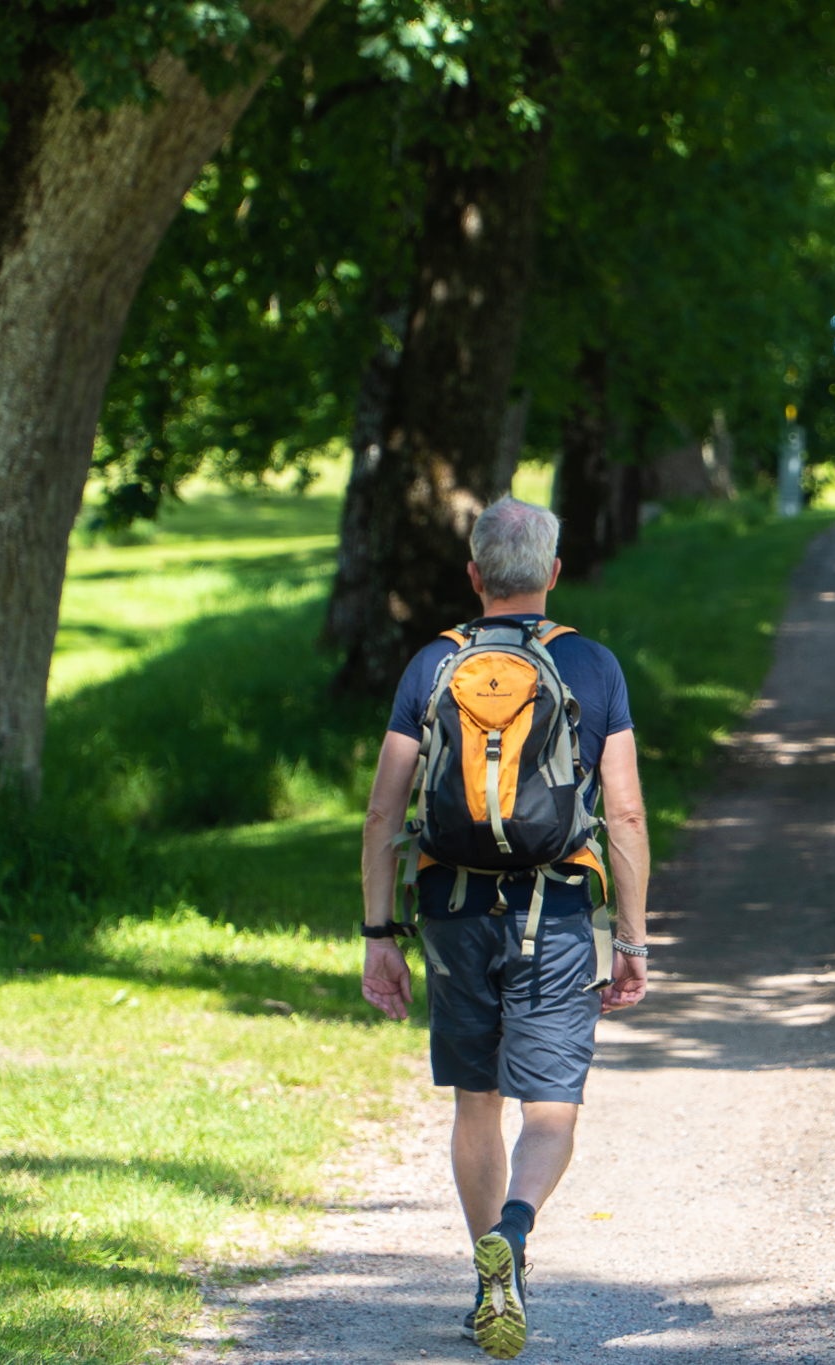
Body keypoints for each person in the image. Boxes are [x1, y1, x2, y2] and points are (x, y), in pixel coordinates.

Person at [358, 496, 649, 1360]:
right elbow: (626, 815)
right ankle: (513, 1235)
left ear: (474, 574)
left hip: (452, 910)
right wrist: (630, 939)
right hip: (555, 911)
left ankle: (491, 1272)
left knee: (475, 1101)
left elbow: (382, 814)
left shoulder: (432, 666)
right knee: (551, 1110)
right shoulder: (592, 666)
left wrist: (379, 932)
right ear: (553, 572)